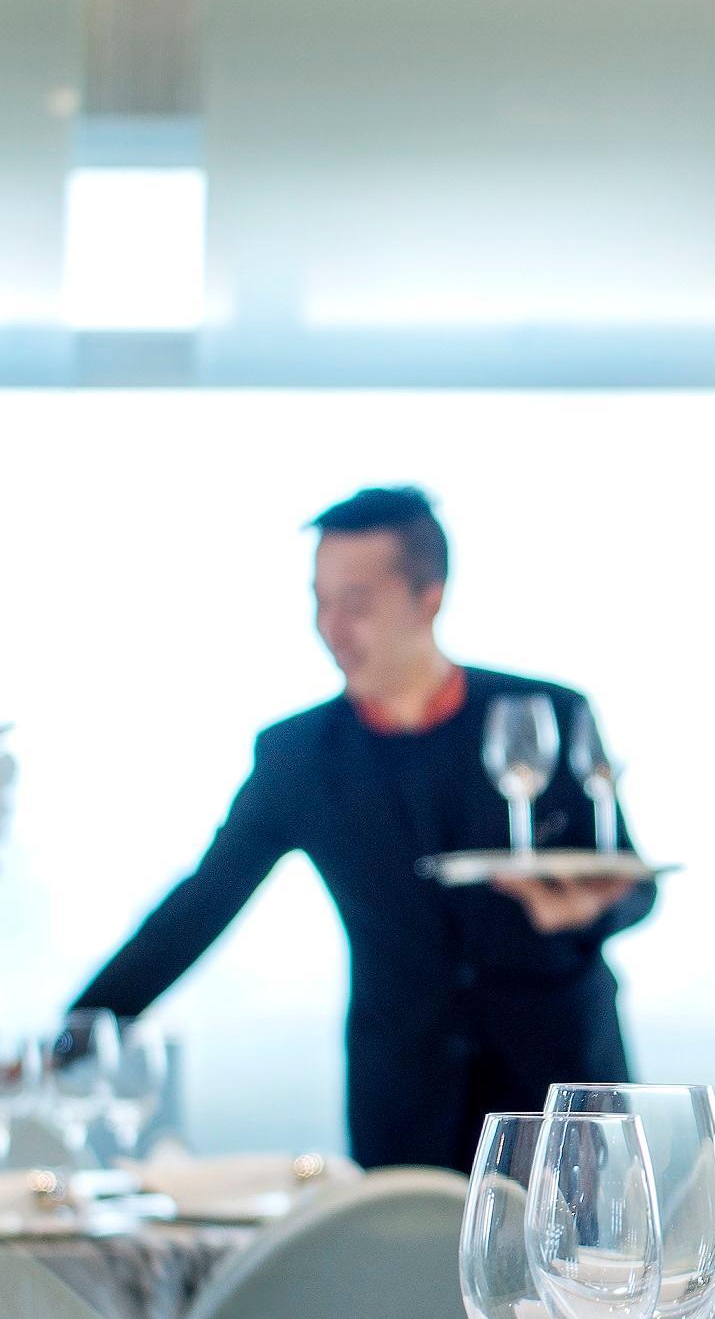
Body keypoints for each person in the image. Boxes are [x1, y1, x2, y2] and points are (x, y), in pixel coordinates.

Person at [71, 486, 653, 1172]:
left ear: (428, 596)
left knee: (582, 1281)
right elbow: (197, 907)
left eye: (356, 603)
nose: (330, 626)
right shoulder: (297, 756)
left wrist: (585, 912)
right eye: (318, 600)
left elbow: (633, 884)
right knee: (405, 1280)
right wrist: (74, 1032)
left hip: (565, 1090)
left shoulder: (545, 713)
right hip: (406, 1098)